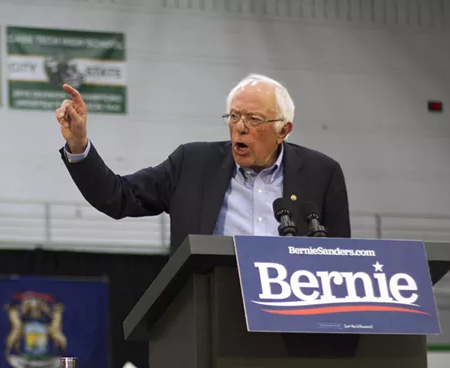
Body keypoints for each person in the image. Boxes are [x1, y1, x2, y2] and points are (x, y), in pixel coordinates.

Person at [56, 73, 351, 251]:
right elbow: (117, 196)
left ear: (283, 130)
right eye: (234, 116)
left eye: (254, 119)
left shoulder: (321, 174)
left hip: (293, 321)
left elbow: (343, 261)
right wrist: (79, 144)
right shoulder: (192, 165)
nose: (240, 127)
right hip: (209, 313)